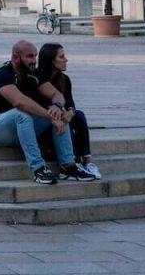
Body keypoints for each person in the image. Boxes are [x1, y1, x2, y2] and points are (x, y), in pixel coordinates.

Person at [0, 40, 89, 185]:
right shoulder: (2, 74)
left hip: (21, 129)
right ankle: (39, 169)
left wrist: (57, 106)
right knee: (21, 114)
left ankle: (68, 167)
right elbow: (20, 102)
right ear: (16, 57)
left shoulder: (34, 74)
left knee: (58, 113)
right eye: (29, 56)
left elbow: (57, 95)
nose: (34, 61)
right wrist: (49, 116)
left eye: (35, 56)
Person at [35, 43, 102, 179]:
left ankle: (87, 161)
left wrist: (70, 112)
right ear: (51, 60)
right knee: (62, 118)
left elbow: (70, 102)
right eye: (62, 57)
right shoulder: (38, 78)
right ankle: (72, 162)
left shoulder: (64, 79)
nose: (66, 60)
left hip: (59, 117)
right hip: (46, 122)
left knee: (79, 115)